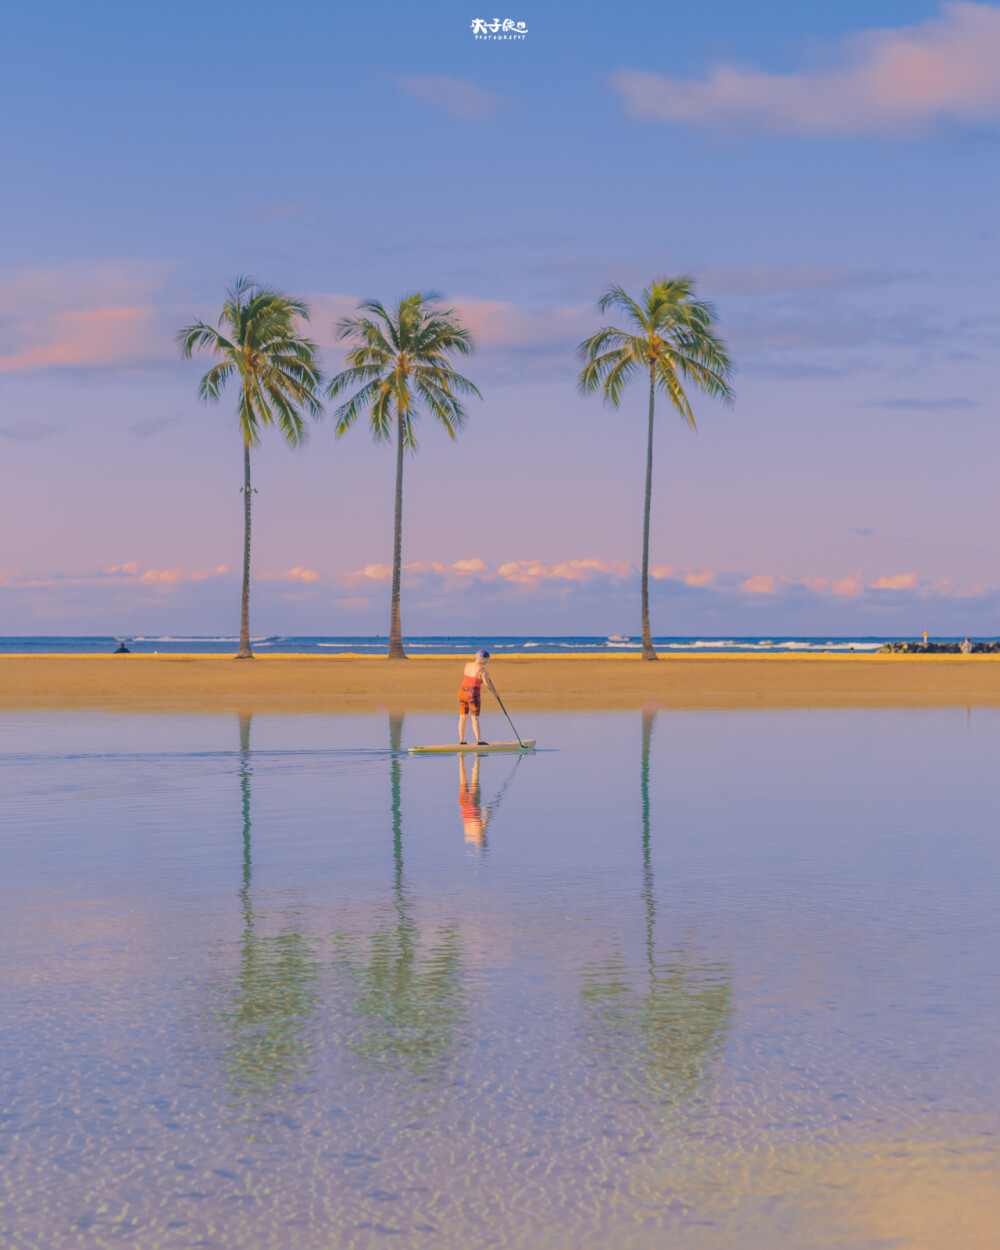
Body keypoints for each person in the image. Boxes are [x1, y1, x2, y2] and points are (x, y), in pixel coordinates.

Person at [458, 649, 491, 745]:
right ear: (481, 658)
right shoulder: (483, 670)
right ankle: (479, 741)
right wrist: (495, 693)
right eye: (486, 660)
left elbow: (468, 677)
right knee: (475, 719)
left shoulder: (467, 664)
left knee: (462, 718)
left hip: (462, 692)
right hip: (473, 693)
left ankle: (462, 740)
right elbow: (487, 684)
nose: (486, 662)